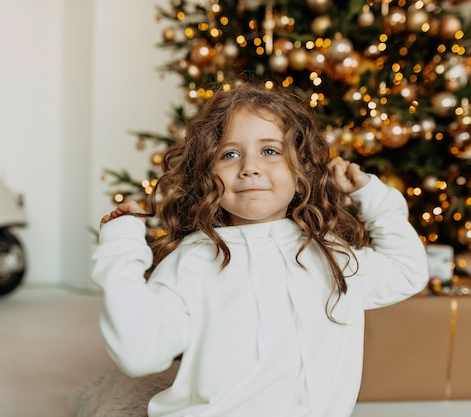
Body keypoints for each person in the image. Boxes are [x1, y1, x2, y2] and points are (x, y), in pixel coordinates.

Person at [78, 81, 429, 417]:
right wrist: (121, 247)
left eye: (270, 151)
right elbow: (139, 352)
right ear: (207, 174)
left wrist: (372, 195)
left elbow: (407, 271)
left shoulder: (331, 255)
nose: (249, 168)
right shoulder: (193, 261)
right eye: (229, 154)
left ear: (301, 168)